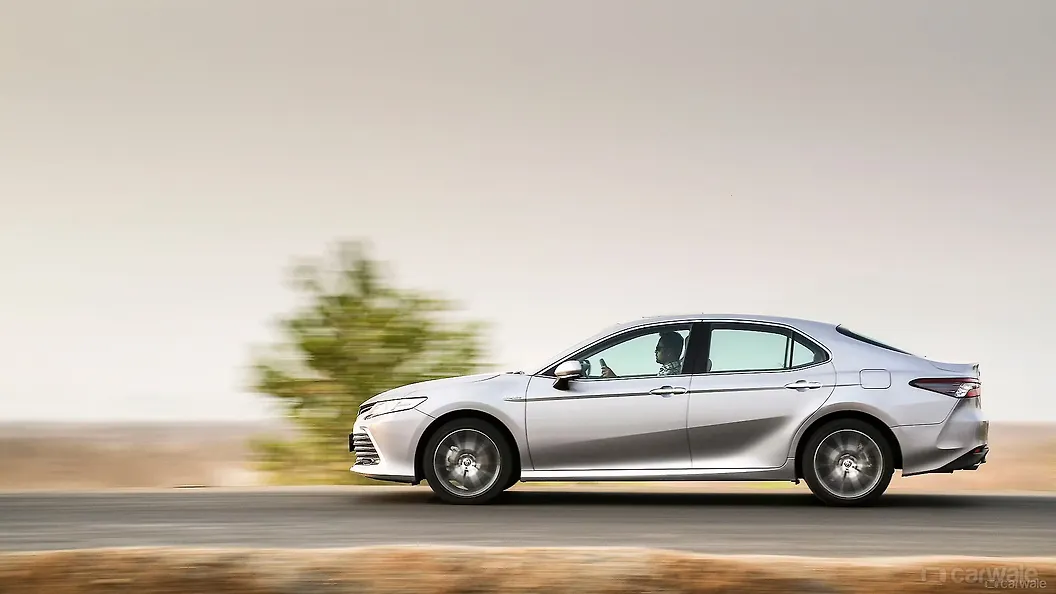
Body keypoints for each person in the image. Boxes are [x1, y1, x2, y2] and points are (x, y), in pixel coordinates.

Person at [600, 331, 684, 378]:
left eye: (658, 349)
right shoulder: (671, 370)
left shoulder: (670, 373)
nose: (655, 352)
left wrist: (615, 379)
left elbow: (647, 390)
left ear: (669, 352)